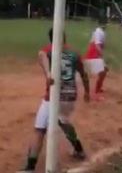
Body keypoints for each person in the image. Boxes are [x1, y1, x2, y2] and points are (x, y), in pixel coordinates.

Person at [17, 28, 90, 173]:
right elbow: (84, 74)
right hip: (70, 96)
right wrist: (87, 92)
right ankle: (79, 149)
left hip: (54, 95)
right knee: (63, 122)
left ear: (51, 39)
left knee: (40, 129)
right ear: (64, 37)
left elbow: (42, 54)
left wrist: (48, 73)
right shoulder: (74, 52)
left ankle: (29, 168)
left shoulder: (49, 50)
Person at [85, 22, 108, 101]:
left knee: (103, 70)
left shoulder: (98, 31)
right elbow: (97, 45)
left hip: (94, 54)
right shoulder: (99, 32)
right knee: (103, 71)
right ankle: (96, 93)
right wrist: (102, 56)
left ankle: (98, 89)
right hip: (93, 55)